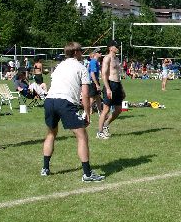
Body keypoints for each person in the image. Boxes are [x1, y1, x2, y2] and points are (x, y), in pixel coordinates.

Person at [40, 41, 105, 182]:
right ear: (75, 52)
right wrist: (87, 113)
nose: (82, 53)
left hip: (50, 100)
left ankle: (45, 168)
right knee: (82, 136)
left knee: (51, 133)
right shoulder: (81, 67)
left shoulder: (59, 66)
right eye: (80, 50)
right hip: (65, 102)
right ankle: (87, 174)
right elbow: (85, 94)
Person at [97, 40, 125, 140]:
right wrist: (108, 89)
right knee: (106, 109)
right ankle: (99, 132)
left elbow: (118, 75)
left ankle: (106, 124)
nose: (118, 48)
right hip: (110, 84)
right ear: (110, 48)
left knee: (118, 109)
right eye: (116, 46)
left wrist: (121, 88)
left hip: (117, 85)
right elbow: (104, 75)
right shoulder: (107, 58)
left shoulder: (117, 58)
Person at [87, 50, 102, 115]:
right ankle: (85, 113)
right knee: (92, 99)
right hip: (93, 82)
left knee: (98, 97)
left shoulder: (95, 62)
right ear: (95, 54)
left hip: (95, 81)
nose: (101, 53)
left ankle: (100, 112)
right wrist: (96, 84)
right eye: (99, 52)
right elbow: (92, 73)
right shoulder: (93, 62)